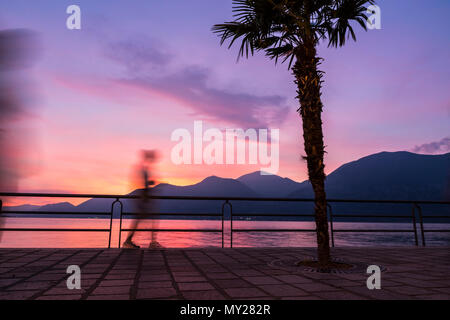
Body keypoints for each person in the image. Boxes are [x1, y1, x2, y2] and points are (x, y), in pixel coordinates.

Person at [123, 150, 162, 249]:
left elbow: (141, 183)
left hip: (141, 198)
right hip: (143, 198)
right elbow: (143, 184)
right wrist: (146, 195)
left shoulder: (142, 168)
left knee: (139, 220)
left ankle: (129, 241)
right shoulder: (143, 169)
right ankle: (152, 243)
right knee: (151, 218)